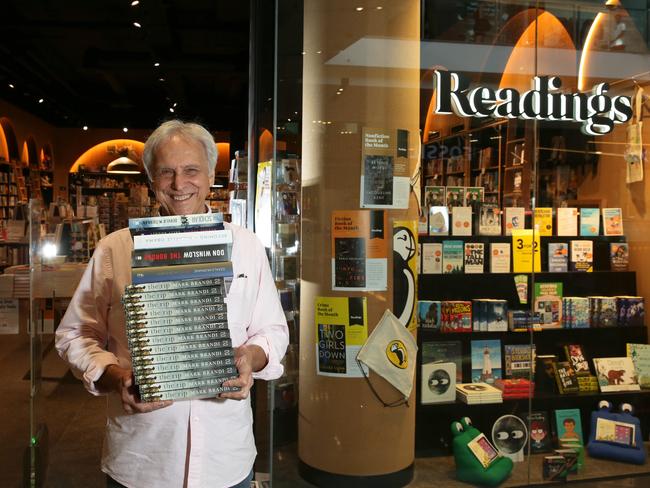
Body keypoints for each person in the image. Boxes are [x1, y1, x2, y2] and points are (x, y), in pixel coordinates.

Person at [55, 120, 289, 488]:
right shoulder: (115, 248)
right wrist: (116, 377)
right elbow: (75, 333)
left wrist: (251, 358)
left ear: (212, 174)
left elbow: (273, 330)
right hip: (142, 458)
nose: (180, 185)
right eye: (167, 172)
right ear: (151, 180)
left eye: (191, 170)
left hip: (225, 457)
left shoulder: (246, 246)